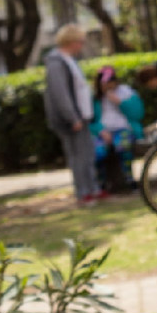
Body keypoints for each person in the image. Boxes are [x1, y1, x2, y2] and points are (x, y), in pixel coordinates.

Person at [43, 24, 100, 205]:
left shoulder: (69, 60)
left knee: (87, 154)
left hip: (82, 115)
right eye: (80, 42)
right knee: (78, 156)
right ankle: (83, 193)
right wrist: (72, 117)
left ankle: (92, 188)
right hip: (71, 119)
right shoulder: (56, 63)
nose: (82, 46)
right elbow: (61, 93)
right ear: (71, 41)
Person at [91, 65, 144, 193]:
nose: (107, 86)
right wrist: (101, 131)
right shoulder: (96, 98)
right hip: (103, 132)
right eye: (104, 84)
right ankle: (101, 185)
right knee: (98, 152)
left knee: (123, 146)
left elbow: (138, 114)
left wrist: (120, 103)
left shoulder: (126, 93)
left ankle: (130, 181)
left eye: (110, 83)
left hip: (124, 129)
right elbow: (91, 120)